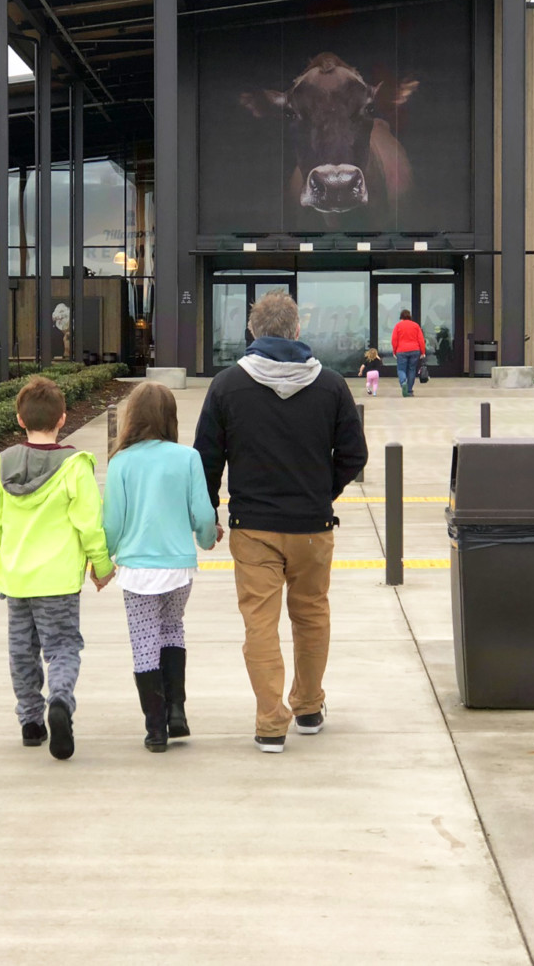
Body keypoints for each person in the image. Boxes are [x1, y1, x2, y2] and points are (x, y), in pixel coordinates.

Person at [193, 290, 368, 753]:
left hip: (253, 528)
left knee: (261, 626)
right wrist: (321, 491)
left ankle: (271, 723)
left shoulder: (227, 386)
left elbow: (206, 460)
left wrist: (207, 512)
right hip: (312, 527)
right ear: (296, 331)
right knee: (311, 616)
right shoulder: (330, 385)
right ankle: (308, 707)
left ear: (253, 332)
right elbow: (354, 455)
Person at [0, 376, 114, 761]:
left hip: (17, 576)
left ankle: (30, 722)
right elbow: (90, 523)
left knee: (22, 650)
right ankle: (60, 700)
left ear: (20, 419)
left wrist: (4, 551)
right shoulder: (75, 465)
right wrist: (101, 566)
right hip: (58, 579)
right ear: (63, 419)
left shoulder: (1, 464)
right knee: (63, 647)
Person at [103, 382, 218, 752]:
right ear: (171, 417)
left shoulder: (120, 461)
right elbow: (202, 513)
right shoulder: (187, 458)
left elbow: (113, 523)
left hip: (137, 569)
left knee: (144, 643)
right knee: (173, 630)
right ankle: (177, 711)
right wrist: (205, 538)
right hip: (178, 567)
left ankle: (155, 728)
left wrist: (102, 561)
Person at [391, 309, 427, 397]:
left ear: (401, 317)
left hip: (401, 350)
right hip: (415, 350)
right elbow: (421, 340)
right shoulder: (415, 326)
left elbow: (394, 340)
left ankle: (403, 382)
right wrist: (423, 352)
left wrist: (394, 351)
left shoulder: (398, 326)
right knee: (412, 370)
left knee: (401, 369)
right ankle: (409, 390)